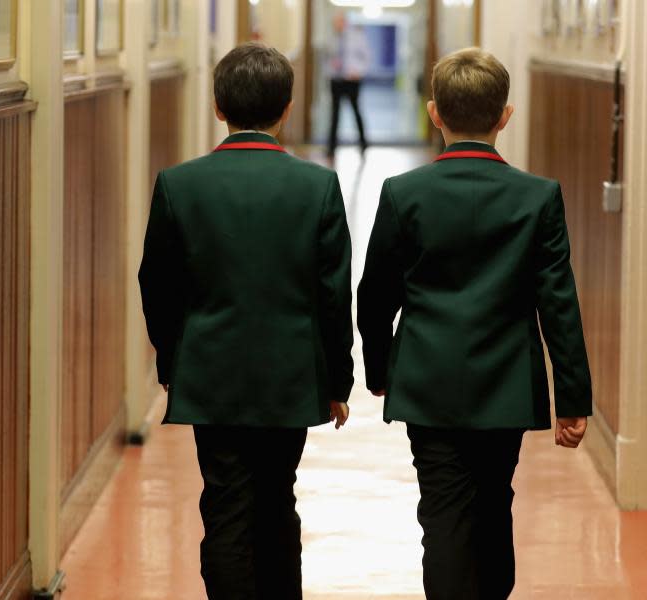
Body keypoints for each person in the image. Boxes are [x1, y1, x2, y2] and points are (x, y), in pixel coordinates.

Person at [357, 47, 593, 600]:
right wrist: (574, 397)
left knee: (443, 514)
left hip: (427, 380)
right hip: (505, 384)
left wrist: (379, 369)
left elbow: (374, 296)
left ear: (434, 113)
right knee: (493, 503)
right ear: (505, 115)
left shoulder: (404, 194)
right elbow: (558, 301)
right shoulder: (537, 198)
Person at [138, 42, 354, 600]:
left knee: (227, 505)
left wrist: (172, 361)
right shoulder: (318, 186)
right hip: (290, 376)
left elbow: (156, 285)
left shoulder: (179, 185)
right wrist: (337, 382)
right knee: (278, 499)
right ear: (286, 110)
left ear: (217, 106)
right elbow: (332, 295)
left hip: (212, 374)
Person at [326, 12, 370, 159]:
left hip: (352, 79)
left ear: (345, 22)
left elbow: (367, 57)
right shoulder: (330, 38)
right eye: (335, 22)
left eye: (339, 22)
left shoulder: (356, 36)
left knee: (356, 111)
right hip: (336, 79)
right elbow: (325, 59)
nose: (337, 25)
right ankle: (331, 148)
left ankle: (363, 144)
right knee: (334, 114)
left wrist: (359, 71)